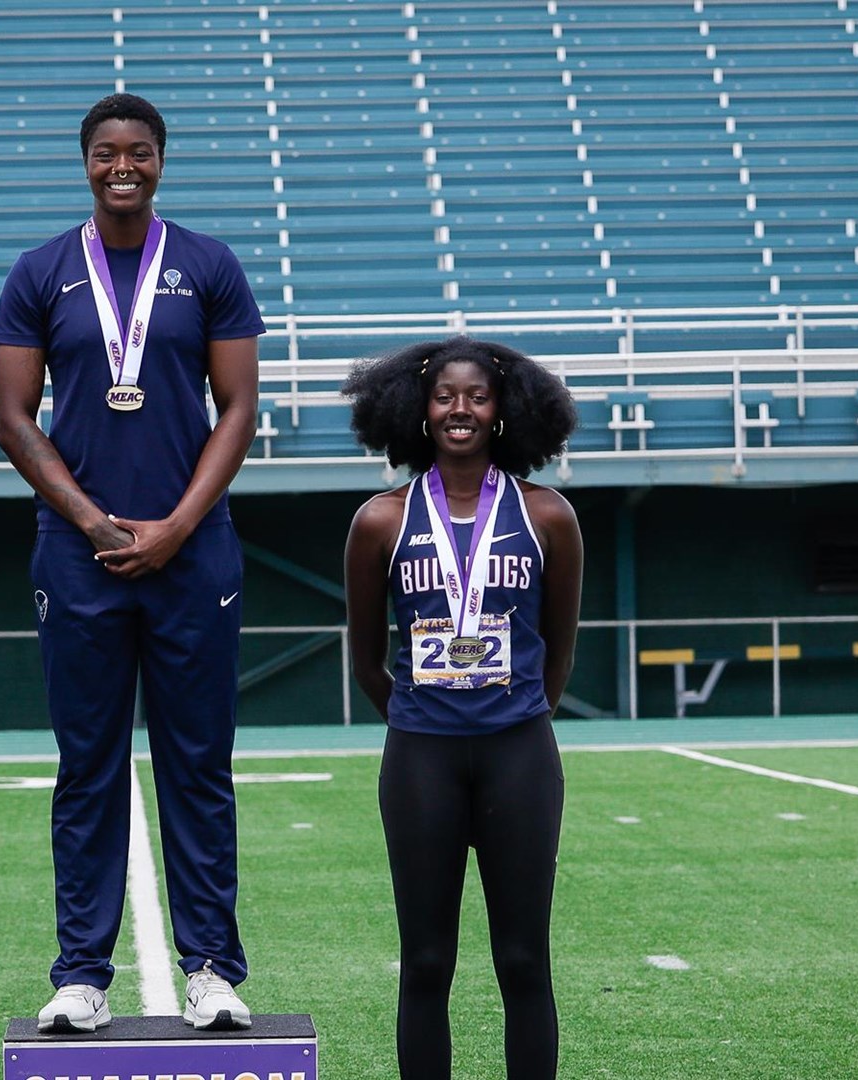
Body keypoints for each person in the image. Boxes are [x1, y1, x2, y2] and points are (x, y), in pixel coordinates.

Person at [0, 92, 266, 1034]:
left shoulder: (208, 264)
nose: (123, 166)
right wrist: (96, 524)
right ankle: (81, 975)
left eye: (139, 152)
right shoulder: (39, 271)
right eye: (107, 152)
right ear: (85, 161)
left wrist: (179, 525)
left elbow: (237, 409)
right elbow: (15, 420)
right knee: (88, 767)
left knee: (199, 764)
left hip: (194, 552)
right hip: (78, 556)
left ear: (160, 160)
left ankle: (214, 972)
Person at [341, 336, 583, 1079]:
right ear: (419, 409)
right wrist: (422, 717)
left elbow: (560, 648)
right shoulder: (381, 521)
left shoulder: (549, 517)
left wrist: (513, 712)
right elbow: (366, 661)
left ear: (503, 410)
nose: (460, 410)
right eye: (446, 395)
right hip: (422, 757)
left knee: (521, 960)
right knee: (425, 963)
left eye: (477, 396)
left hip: (520, 753)